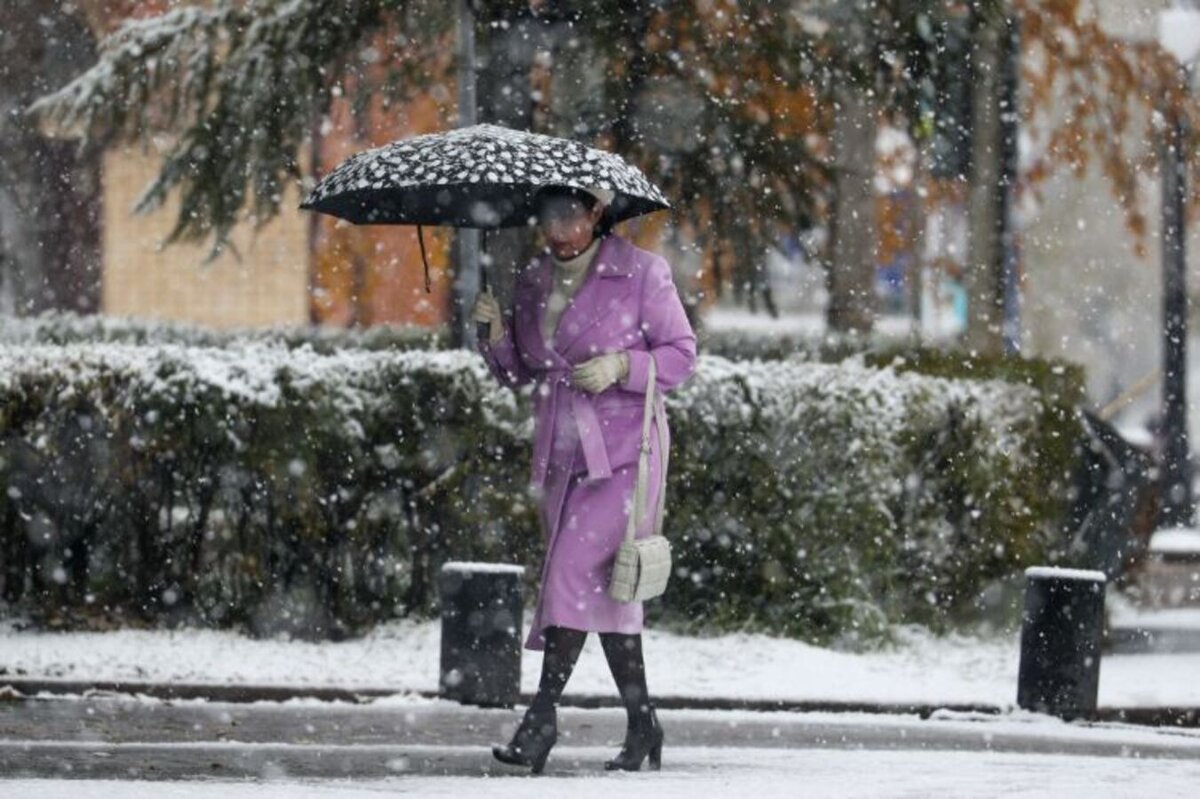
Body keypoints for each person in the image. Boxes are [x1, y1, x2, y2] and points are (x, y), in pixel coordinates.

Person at [471, 184, 697, 774]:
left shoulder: (643, 272)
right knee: (605, 589)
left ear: (597, 213)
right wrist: (493, 335)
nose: (558, 231)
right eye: (547, 218)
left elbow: (680, 356)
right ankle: (643, 722)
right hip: (561, 453)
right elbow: (522, 371)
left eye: (570, 216)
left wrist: (624, 366)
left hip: (625, 450)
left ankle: (540, 719)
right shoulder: (533, 278)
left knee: (569, 574)